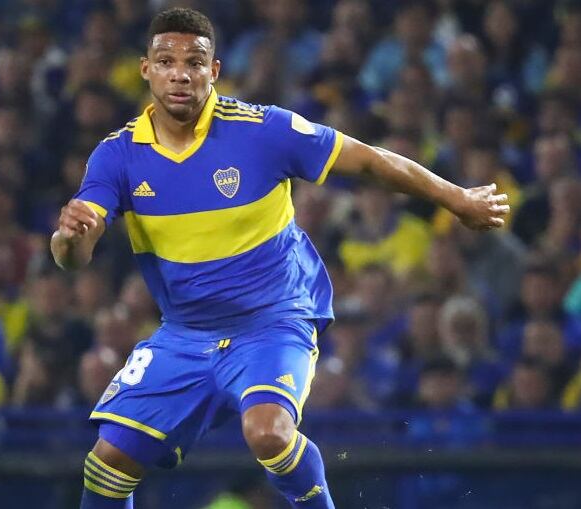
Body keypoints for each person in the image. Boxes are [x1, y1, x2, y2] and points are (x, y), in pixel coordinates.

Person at [50, 9, 509, 509]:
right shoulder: (116, 156)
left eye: (193, 61)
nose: (180, 73)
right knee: (107, 461)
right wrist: (73, 238)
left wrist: (457, 199)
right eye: (166, 61)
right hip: (185, 332)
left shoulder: (263, 130)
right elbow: (73, 255)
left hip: (273, 320)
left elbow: (372, 160)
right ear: (146, 70)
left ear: (214, 71)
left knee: (267, 432)